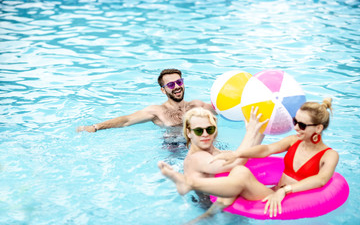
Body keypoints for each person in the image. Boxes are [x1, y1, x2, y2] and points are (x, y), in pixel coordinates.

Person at [158, 98, 338, 220]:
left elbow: (321, 180)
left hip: (289, 198)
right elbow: (267, 149)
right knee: (238, 171)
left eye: (302, 125)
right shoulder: (293, 141)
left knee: (241, 172)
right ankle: (205, 205)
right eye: (294, 121)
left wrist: (285, 190)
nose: (296, 127)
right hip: (264, 193)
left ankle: (191, 184)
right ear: (188, 132)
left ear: (318, 128)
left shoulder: (330, 155)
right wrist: (241, 150)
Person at [159, 106, 266, 220]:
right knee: (242, 173)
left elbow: (247, 156)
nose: (205, 134)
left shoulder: (219, 153)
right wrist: (250, 132)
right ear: (189, 133)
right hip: (214, 215)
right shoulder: (195, 158)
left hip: (228, 208)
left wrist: (261, 129)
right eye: (199, 131)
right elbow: (235, 164)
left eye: (209, 129)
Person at [76, 69, 215, 133]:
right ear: (163, 90)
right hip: (174, 151)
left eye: (179, 82)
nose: (177, 87)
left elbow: (223, 110)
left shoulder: (198, 105)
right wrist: (96, 127)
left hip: (199, 143)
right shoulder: (157, 111)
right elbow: (126, 120)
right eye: (171, 85)